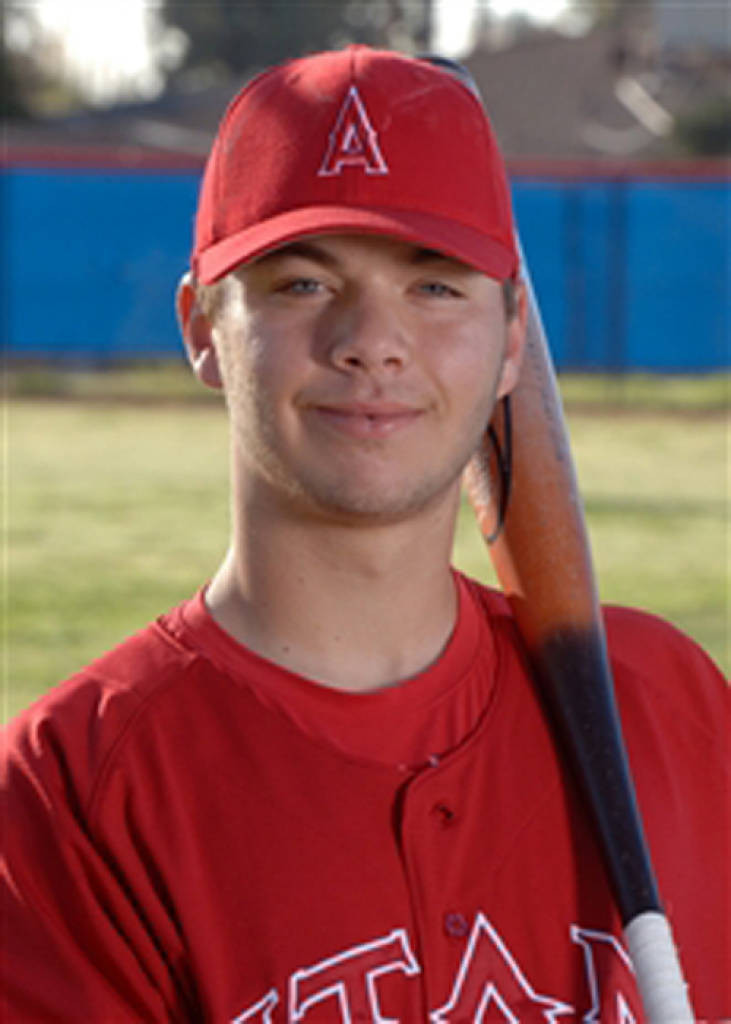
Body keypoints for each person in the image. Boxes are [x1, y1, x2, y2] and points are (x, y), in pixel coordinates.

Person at [1, 45, 728, 1023]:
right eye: (302, 284)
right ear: (203, 328)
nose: (371, 342)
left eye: (434, 286)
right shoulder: (72, 796)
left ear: (512, 335)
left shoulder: (671, 709)